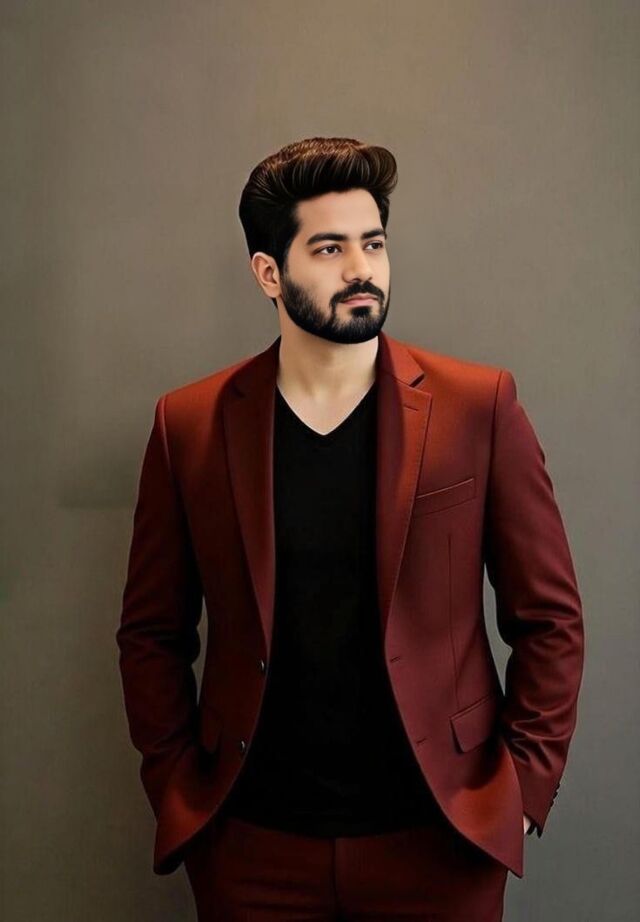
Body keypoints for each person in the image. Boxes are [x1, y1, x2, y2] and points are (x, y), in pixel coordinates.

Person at [116, 136, 584, 921]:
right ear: (269, 273)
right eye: (329, 249)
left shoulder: (478, 408)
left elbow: (551, 618)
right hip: (252, 847)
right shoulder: (190, 425)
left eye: (373, 243)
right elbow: (151, 633)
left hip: (440, 841)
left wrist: (522, 790)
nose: (361, 268)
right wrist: (178, 789)